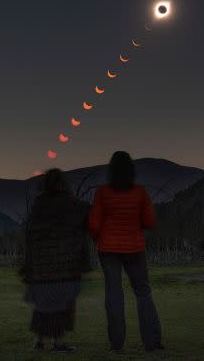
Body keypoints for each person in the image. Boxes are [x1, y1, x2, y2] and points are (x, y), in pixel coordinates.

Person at [88, 151, 163, 351]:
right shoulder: (139, 192)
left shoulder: (102, 192)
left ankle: (117, 342)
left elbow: (94, 224)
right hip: (135, 248)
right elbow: (150, 221)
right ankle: (152, 342)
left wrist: (100, 239)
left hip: (108, 249)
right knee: (143, 293)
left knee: (113, 293)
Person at [20, 169, 91, 353]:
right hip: (65, 265)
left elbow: (30, 232)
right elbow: (84, 215)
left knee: (42, 305)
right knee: (61, 305)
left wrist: (28, 265)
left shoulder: (39, 203)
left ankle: (38, 341)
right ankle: (58, 342)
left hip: (40, 265)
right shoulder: (70, 203)